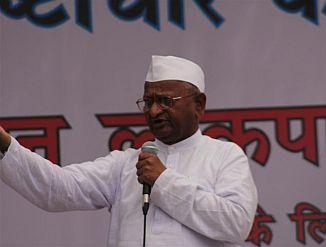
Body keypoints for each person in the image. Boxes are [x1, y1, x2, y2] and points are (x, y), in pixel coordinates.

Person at [0, 55, 258, 247]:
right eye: (148, 101)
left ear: (199, 105)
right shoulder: (125, 163)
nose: (154, 111)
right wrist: (3, 143)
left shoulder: (225, 156)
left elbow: (236, 224)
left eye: (166, 101)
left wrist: (164, 181)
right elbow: (56, 189)